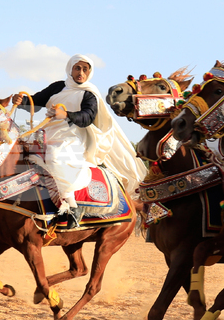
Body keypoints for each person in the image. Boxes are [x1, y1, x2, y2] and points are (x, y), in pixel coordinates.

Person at [12, 54, 147, 228]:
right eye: (77, 68)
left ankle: (72, 207)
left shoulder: (90, 93)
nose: (81, 72)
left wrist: (66, 115)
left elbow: (87, 117)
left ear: (89, 72)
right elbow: (36, 101)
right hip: (47, 130)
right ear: (70, 69)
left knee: (54, 156)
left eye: (85, 69)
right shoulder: (59, 87)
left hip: (74, 135)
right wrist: (22, 100)